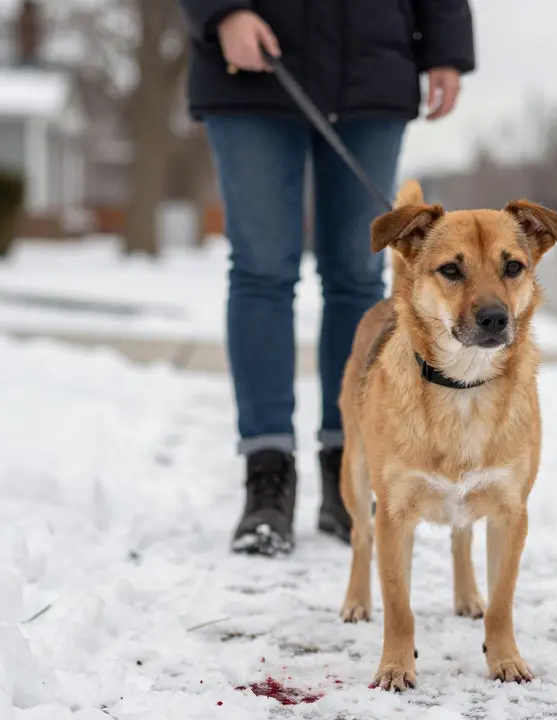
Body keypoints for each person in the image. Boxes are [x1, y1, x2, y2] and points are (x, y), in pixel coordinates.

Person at [176, 0, 476, 556]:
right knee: (262, 272)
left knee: (357, 277)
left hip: (372, 66)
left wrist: (446, 47)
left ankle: (351, 471)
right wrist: (222, 13)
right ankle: (267, 473)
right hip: (253, 66)